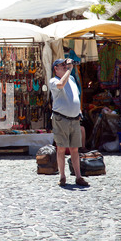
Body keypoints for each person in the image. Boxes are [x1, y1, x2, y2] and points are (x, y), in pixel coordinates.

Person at [49, 58, 89, 187]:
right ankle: (62, 176)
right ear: (56, 68)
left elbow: (75, 96)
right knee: (61, 148)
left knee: (74, 149)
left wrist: (79, 111)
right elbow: (61, 85)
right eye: (62, 65)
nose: (66, 67)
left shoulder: (71, 79)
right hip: (61, 118)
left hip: (74, 118)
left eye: (66, 65)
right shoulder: (53, 81)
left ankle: (78, 176)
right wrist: (69, 71)